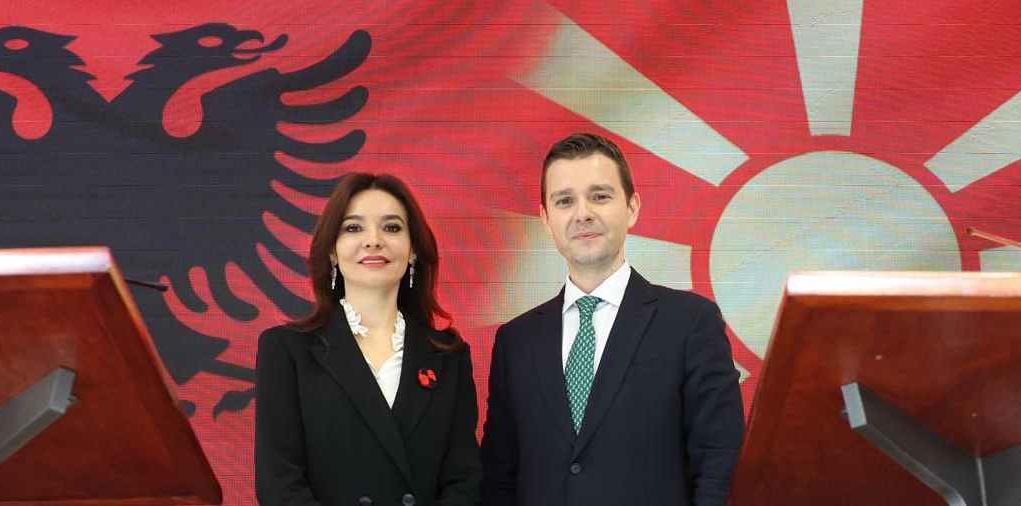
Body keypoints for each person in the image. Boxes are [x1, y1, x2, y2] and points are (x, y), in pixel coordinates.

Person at [480, 133, 746, 506]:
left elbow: (720, 465)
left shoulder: (690, 323)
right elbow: (499, 478)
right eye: (564, 201)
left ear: (632, 208)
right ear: (546, 219)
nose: (583, 213)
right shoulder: (516, 341)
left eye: (600, 196)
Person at [255, 173, 480, 506]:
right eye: (353, 228)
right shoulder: (287, 350)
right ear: (332, 251)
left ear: (413, 250)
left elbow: (465, 482)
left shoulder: (448, 355)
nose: (373, 240)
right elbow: (279, 484)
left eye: (391, 227)